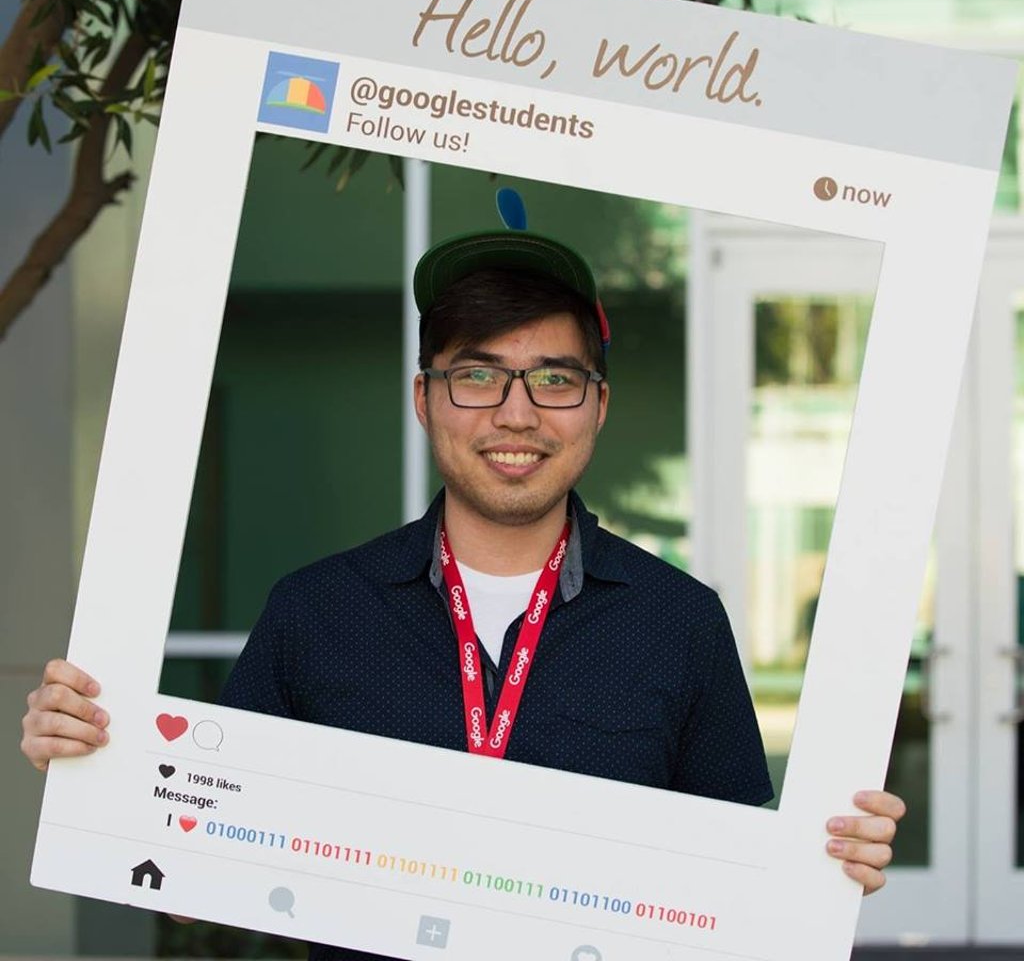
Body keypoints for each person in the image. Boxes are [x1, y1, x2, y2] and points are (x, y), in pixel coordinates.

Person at [21, 196, 905, 959]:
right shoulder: (316, 611)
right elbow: (194, 878)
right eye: (478, 374)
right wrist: (96, 768)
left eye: (554, 378)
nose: (516, 414)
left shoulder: (680, 623)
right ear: (425, 399)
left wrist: (828, 866)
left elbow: (739, 899)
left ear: (598, 405)